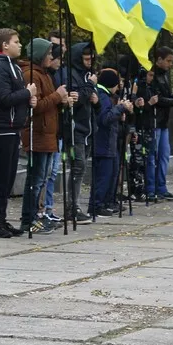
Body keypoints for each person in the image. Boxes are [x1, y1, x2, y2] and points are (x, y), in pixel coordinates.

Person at [0, 28, 37, 238]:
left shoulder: (13, 66)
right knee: (0, 176)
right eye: (16, 41)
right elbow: (5, 98)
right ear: (5, 45)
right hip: (2, 126)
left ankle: (1, 219)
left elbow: (16, 96)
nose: (20, 45)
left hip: (13, 126)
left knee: (8, 177)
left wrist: (29, 100)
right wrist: (27, 93)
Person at [19, 38, 70, 235]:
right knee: (36, 178)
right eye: (48, 53)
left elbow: (49, 103)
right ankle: (29, 218)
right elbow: (37, 105)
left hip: (48, 133)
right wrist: (57, 96)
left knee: (42, 178)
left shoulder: (45, 74)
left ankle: (36, 216)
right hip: (38, 133)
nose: (51, 56)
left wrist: (62, 101)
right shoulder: (32, 74)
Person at [90, 68, 134, 217]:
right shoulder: (103, 97)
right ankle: (97, 205)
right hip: (104, 143)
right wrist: (120, 108)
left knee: (111, 174)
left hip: (110, 142)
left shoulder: (107, 96)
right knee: (103, 176)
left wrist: (120, 113)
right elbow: (105, 118)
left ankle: (107, 201)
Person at [62, 42, 97, 224]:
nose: (89, 62)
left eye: (91, 58)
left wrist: (95, 98)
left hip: (88, 127)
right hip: (75, 127)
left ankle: (74, 204)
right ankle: (71, 206)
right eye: (86, 59)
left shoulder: (88, 75)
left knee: (81, 167)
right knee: (78, 166)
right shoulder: (71, 74)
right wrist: (90, 86)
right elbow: (77, 97)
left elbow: (89, 98)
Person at [146, 46, 173, 201]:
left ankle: (161, 187)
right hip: (155, 120)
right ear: (159, 60)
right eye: (168, 61)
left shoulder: (165, 76)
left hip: (163, 122)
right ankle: (150, 188)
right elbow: (158, 99)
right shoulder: (153, 75)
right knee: (152, 156)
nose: (170, 64)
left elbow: (166, 97)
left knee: (164, 155)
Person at [41, 33, 66, 222]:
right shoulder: (44, 75)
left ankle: (48, 206)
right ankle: (41, 208)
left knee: (52, 172)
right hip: (45, 130)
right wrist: (58, 97)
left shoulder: (59, 73)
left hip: (57, 128)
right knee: (45, 173)